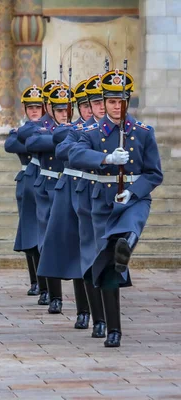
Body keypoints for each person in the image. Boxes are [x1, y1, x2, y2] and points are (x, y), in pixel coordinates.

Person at [69, 70, 163, 347]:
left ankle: (126, 246)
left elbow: (154, 174)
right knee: (108, 266)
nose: (115, 106)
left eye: (120, 101)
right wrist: (106, 157)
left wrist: (133, 192)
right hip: (102, 202)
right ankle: (113, 330)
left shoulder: (143, 133)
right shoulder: (91, 132)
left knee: (127, 232)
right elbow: (75, 154)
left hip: (133, 200)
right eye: (110, 101)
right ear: (105, 102)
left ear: (127, 101)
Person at [54, 76, 107, 338]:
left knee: (103, 254)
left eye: (98, 102)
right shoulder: (77, 130)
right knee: (84, 254)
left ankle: (106, 313)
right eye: (88, 104)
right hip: (79, 195)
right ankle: (90, 313)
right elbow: (63, 146)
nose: (92, 109)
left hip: (108, 198)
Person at [25, 84, 72, 315]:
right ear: (50, 109)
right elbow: (32, 142)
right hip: (48, 187)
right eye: (59, 110)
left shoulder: (80, 126)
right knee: (47, 242)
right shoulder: (42, 126)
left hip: (73, 188)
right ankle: (54, 295)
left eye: (67, 109)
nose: (64, 114)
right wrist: (61, 136)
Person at [4, 85, 45, 296]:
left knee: (43, 233)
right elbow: (11, 144)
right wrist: (34, 141)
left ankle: (46, 281)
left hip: (46, 181)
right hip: (26, 183)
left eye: (38, 107)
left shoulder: (49, 129)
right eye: (31, 108)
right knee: (29, 231)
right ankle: (34, 280)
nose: (35, 111)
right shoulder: (21, 130)